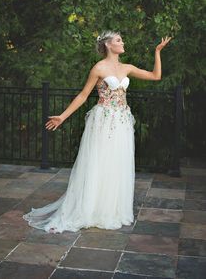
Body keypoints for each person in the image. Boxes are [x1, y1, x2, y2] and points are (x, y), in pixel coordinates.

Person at [23, 31, 172, 233]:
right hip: (103, 120)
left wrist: (157, 51)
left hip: (122, 121)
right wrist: (62, 116)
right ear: (109, 45)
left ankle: (111, 211)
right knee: (99, 162)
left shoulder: (126, 67)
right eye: (119, 40)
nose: (123, 42)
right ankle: (91, 210)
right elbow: (84, 96)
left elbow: (156, 76)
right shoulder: (99, 68)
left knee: (117, 163)